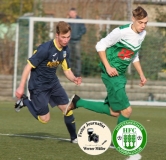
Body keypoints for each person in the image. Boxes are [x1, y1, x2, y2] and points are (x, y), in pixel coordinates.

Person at [64, 6, 148, 147]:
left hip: (120, 76)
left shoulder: (142, 34)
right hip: (111, 75)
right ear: (133, 19)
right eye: (140, 22)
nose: (143, 26)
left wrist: (141, 73)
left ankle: (78, 102)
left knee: (115, 112)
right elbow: (100, 45)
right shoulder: (120, 32)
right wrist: (108, 67)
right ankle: (118, 141)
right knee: (127, 110)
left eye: (145, 23)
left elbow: (134, 54)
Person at [14, 21, 82, 143]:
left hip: (53, 84)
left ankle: (74, 138)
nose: (66, 40)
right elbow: (28, 67)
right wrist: (21, 86)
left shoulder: (65, 50)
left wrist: (74, 78)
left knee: (68, 109)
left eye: (68, 37)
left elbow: (67, 70)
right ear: (57, 35)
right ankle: (25, 101)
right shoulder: (45, 49)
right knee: (45, 119)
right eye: (63, 37)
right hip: (38, 86)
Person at [67, 7, 86, 76]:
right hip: (69, 41)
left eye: (73, 13)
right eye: (70, 13)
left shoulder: (80, 20)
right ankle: (70, 72)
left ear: (75, 13)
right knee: (69, 57)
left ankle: (78, 73)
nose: (71, 14)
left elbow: (84, 30)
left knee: (77, 57)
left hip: (77, 41)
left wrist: (78, 35)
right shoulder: (67, 21)